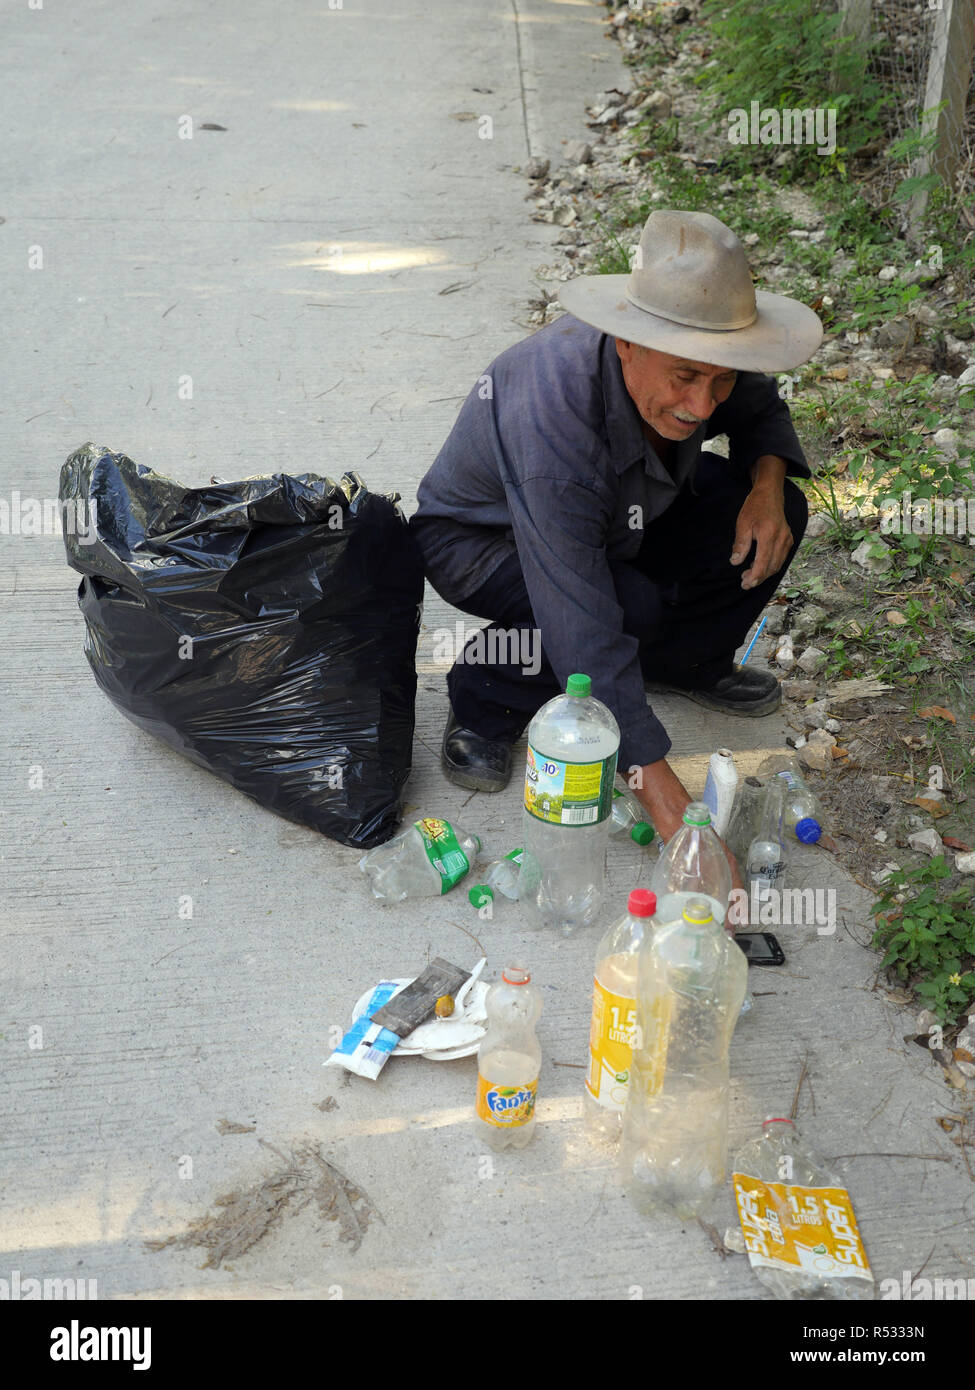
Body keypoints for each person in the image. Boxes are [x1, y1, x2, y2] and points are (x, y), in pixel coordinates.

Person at [409, 209, 822, 885]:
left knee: (768, 508)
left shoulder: (702, 354)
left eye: (718, 379)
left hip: (621, 513)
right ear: (627, 342)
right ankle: (483, 693)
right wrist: (678, 827)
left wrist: (767, 485)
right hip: (484, 540)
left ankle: (678, 663)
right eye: (684, 378)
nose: (700, 406)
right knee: (618, 607)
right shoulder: (553, 416)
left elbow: (755, 405)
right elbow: (582, 621)